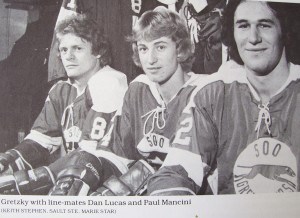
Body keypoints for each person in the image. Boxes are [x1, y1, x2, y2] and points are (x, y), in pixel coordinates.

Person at [145, 0, 300, 195]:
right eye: (243, 26)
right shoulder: (214, 94)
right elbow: (175, 172)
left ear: (284, 30)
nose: (253, 38)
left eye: (264, 25)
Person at [83, 6, 204, 196]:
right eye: (143, 48)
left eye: (160, 47)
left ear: (180, 49)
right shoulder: (138, 89)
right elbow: (116, 155)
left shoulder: (205, 90)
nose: (151, 59)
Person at [0, 15, 128, 195]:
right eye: (64, 49)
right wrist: (10, 160)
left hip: (109, 182)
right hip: (75, 176)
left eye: (78, 48)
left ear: (98, 51)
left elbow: (90, 155)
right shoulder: (62, 89)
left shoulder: (110, 81)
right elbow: (40, 141)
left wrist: (39, 176)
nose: (69, 56)